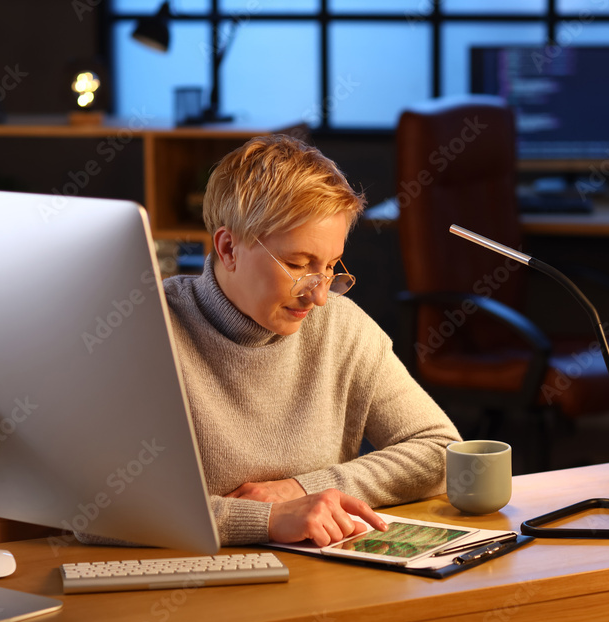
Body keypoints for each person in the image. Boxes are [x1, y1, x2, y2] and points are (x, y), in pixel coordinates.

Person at [163, 134, 459, 547]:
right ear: (228, 248)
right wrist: (264, 519)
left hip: (320, 578)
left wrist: (302, 489)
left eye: (330, 267)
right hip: (189, 583)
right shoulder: (151, 330)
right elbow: (101, 506)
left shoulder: (341, 327)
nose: (319, 296)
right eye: (298, 265)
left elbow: (441, 451)